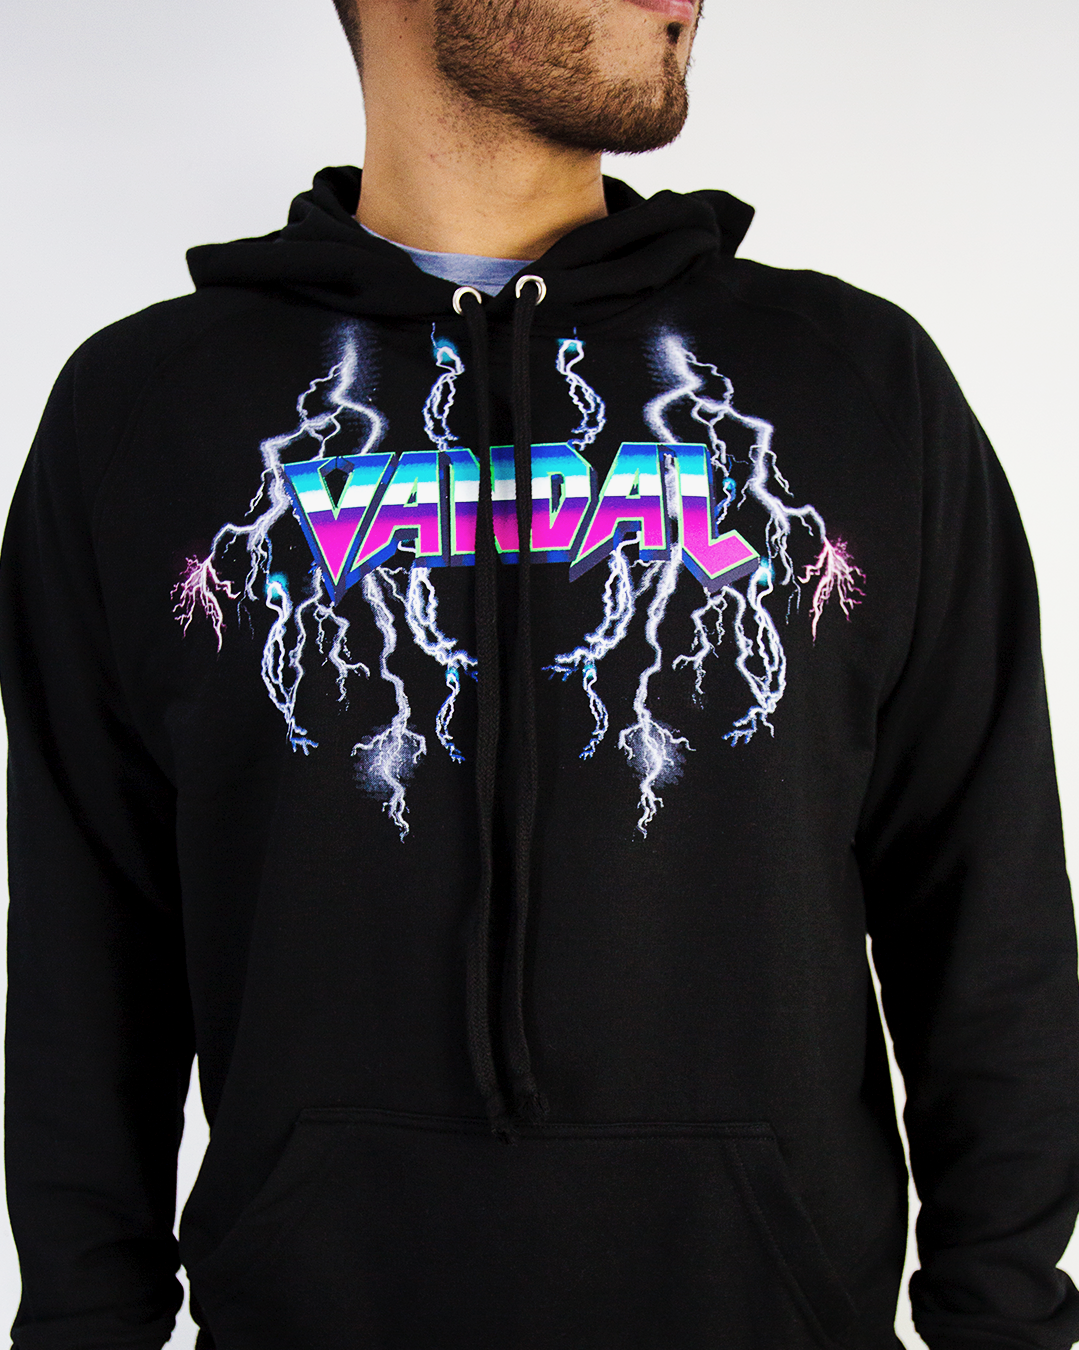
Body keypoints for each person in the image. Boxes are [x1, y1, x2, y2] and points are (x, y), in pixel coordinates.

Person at [1, 0, 1077, 1343]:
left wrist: (1005, 1323)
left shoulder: (859, 385)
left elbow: (986, 913)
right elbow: (84, 951)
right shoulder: (142, 411)